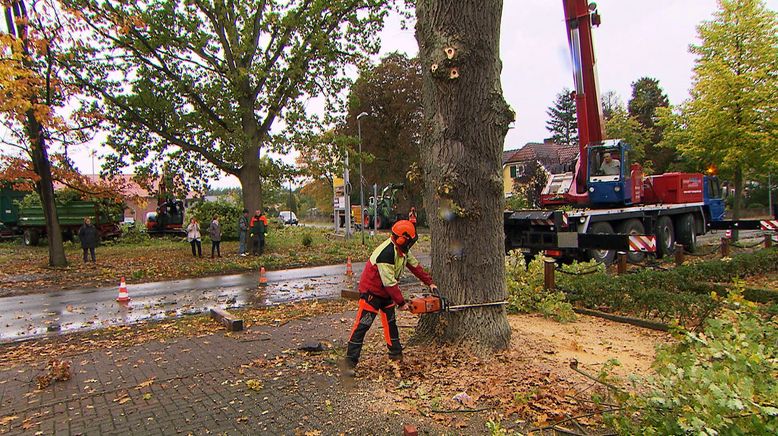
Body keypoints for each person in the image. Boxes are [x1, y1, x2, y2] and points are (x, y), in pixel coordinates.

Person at [345, 220, 437, 372]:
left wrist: (430, 283)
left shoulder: (403, 251)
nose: (410, 245)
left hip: (386, 294)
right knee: (362, 326)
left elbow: (415, 266)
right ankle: (349, 363)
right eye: (409, 242)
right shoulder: (386, 254)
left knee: (391, 324)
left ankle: (395, 355)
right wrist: (401, 303)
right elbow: (390, 283)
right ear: (402, 239)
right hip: (372, 294)